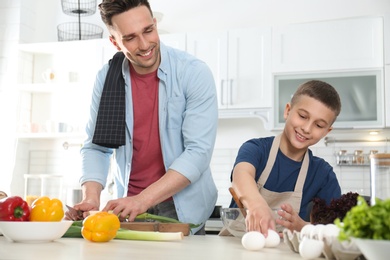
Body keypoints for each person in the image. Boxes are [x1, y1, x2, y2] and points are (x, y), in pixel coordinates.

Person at [65, 0, 218, 235]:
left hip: (182, 207)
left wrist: (142, 200)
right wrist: (92, 197)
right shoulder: (107, 79)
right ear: (115, 42)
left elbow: (197, 153)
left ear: (155, 24)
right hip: (128, 205)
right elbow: (96, 147)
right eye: (130, 37)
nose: (145, 44)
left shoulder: (193, 72)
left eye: (148, 30)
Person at [229, 80, 342, 237]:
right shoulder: (256, 149)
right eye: (303, 116)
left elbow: (336, 229)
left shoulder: (322, 174)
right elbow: (241, 176)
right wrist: (257, 206)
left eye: (319, 125)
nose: (306, 128)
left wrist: (302, 227)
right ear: (288, 110)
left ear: (326, 132)